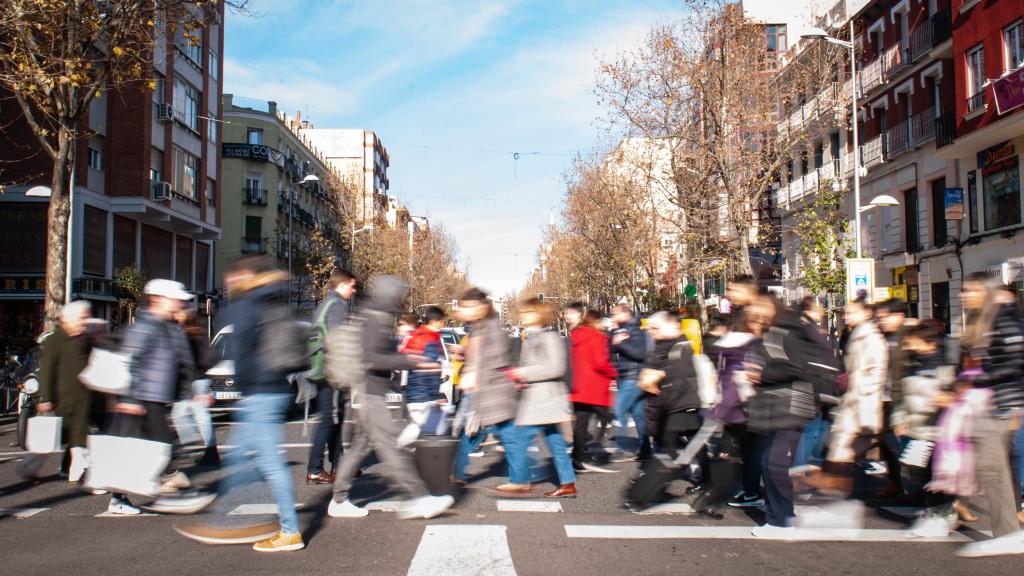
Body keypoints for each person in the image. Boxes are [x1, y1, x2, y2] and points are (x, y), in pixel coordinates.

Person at [176, 257, 305, 551]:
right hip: (270, 390)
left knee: (267, 464)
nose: (229, 284)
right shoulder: (271, 301)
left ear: (246, 277)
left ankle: (284, 530)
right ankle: (235, 521)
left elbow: (235, 350)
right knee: (242, 460)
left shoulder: (246, 306)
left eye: (233, 279)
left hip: (260, 393)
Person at [327, 276, 454, 520]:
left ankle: (339, 499)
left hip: (368, 389)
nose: (403, 298)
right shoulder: (377, 317)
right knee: (390, 445)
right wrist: (409, 360)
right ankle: (420, 498)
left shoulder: (374, 314)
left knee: (358, 447)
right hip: (370, 392)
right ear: (391, 294)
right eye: (401, 293)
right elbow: (372, 357)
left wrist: (400, 361)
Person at [109, 279, 197, 514]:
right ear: (158, 299)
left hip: (155, 398)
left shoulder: (169, 326)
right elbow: (129, 361)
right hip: (142, 398)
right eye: (176, 299)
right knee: (159, 447)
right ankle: (159, 494)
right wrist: (129, 399)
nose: (180, 303)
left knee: (148, 450)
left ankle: (123, 497)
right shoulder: (145, 326)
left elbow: (182, 362)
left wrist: (188, 392)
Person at [954, 274, 1024, 558]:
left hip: (1001, 405)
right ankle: (1007, 531)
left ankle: (1008, 534)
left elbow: (1016, 360)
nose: (963, 296)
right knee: (994, 471)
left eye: (969, 291)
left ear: (986, 291)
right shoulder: (986, 320)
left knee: (994, 472)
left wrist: (977, 379)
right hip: (993, 405)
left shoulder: (1002, 319)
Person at [692, 296, 771, 517]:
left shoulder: (737, 345)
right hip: (746, 408)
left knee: (752, 455)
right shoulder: (749, 343)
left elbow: (732, 379)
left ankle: (743, 492)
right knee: (748, 453)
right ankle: (745, 491)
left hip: (747, 408)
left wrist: (719, 408)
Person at [452, 287, 531, 495]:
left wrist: (475, 391)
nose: (463, 312)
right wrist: (465, 354)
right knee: (474, 435)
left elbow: (490, 362)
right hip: (488, 393)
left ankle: (521, 479)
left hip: (495, 394)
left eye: (467, 307)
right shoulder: (480, 328)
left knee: (509, 436)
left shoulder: (490, 329)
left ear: (480, 307)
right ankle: (456, 474)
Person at [810, 295, 888, 496]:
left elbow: (876, 371)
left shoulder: (870, 337)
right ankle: (836, 491)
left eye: (852, 313)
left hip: (862, 401)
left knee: (843, 448)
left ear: (866, 313)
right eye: (847, 313)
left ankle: (835, 491)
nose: (847, 316)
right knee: (842, 448)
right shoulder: (858, 334)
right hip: (855, 400)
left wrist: (859, 388)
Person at [508, 298, 576, 498]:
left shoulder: (550, 337)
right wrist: (521, 379)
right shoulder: (531, 337)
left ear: (538, 314)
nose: (523, 316)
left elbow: (556, 367)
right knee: (556, 442)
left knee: (519, 439)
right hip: (540, 399)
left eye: (527, 313)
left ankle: (519, 482)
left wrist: (523, 373)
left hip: (546, 400)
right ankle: (568, 482)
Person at [37, 300, 97, 484]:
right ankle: (35, 467)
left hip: (82, 396)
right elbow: (47, 370)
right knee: (61, 437)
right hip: (63, 398)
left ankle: (75, 472)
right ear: (69, 319)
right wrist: (45, 397)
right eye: (82, 318)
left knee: (78, 436)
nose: (85, 322)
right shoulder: (56, 339)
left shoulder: (84, 339)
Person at [305, 270, 356, 485]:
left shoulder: (323, 303)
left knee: (334, 419)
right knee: (329, 420)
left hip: (322, 369)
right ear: (342, 284)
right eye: (352, 286)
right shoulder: (337, 305)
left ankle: (338, 465)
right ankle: (315, 469)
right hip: (332, 371)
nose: (354, 291)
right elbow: (337, 339)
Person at [643, 311, 704, 485]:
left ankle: (656, 482)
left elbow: (681, 373)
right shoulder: (662, 344)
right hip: (671, 402)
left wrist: (658, 375)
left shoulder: (680, 345)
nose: (652, 332)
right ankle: (706, 478)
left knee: (672, 442)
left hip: (681, 403)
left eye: (655, 328)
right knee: (691, 443)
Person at [569, 310, 617, 471]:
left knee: (581, 426)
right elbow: (600, 362)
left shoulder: (575, 336)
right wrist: (613, 373)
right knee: (606, 417)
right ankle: (598, 445)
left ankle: (577, 458)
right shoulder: (597, 337)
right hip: (595, 388)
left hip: (578, 388)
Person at [175, 307, 220, 466]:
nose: (177, 316)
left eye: (179, 314)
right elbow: (211, 356)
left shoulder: (187, 335)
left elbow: (187, 362)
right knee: (196, 415)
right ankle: (206, 449)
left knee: (184, 414)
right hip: (199, 378)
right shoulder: (199, 333)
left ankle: (200, 448)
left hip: (193, 380)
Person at [609, 304, 650, 462]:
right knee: (639, 415)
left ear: (625, 314)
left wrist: (622, 343)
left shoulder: (634, 329)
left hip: (633, 376)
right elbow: (611, 349)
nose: (613, 317)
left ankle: (622, 449)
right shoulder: (621, 329)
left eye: (615, 314)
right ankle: (645, 448)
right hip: (627, 376)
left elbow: (640, 353)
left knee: (619, 411)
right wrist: (614, 333)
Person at [400, 306, 448, 432]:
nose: (443, 324)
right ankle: (395, 449)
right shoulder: (427, 339)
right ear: (435, 322)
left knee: (418, 430)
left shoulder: (421, 336)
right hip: (422, 396)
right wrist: (437, 395)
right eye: (442, 321)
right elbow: (429, 371)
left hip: (418, 394)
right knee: (435, 430)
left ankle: (398, 449)